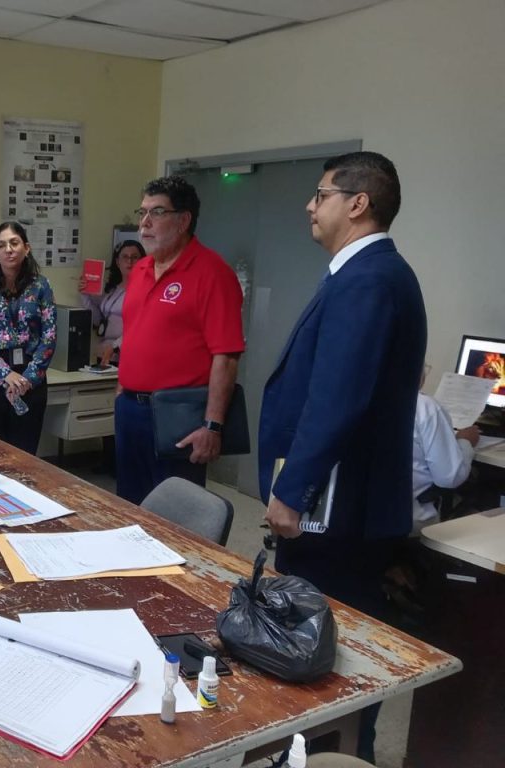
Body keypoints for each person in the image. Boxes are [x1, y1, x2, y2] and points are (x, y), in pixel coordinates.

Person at [258, 151, 426, 763]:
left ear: (358, 204)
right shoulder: (359, 273)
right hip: (338, 499)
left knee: (332, 652)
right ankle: (317, 751)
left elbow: (338, 398)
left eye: (321, 194)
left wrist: (291, 491)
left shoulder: (370, 279)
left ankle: (339, 756)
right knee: (317, 643)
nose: (310, 205)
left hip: (340, 508)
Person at [115, 176, 245, 504]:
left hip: (178, 414)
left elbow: (226, 356)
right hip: (130, 409)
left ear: (183, 220)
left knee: (171, 512)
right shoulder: (140, 269)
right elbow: (134, 335)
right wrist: (121, 390)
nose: (144, 222)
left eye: (157, 212)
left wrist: (213, 425)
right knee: (129, 504)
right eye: (142, 212)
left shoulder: (212, 273)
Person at [0, 221, 57, 454]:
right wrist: (5, 375)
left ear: (26, 248)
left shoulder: (41, 285)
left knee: (23, 456)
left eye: (14, 243)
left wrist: (27, 379)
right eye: (1, 245)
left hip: (29, 378)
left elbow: (49, 335)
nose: (8, 249)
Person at [413, 390, 478, 529]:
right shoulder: (425, 406)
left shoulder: (365, 397)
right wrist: (465, 441)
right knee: (479, 503)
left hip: (368, 520)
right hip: (414, 520)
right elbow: (449, 478)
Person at [79, 239, 145, 365]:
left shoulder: (144, 291)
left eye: (134, 257)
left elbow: (139, 328)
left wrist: (115, 346)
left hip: (126, 354)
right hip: (105, 354)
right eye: (125, 257)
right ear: (117, 262)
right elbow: (97, 320)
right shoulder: (112, 289)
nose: (129, 261)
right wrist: (84, 294)